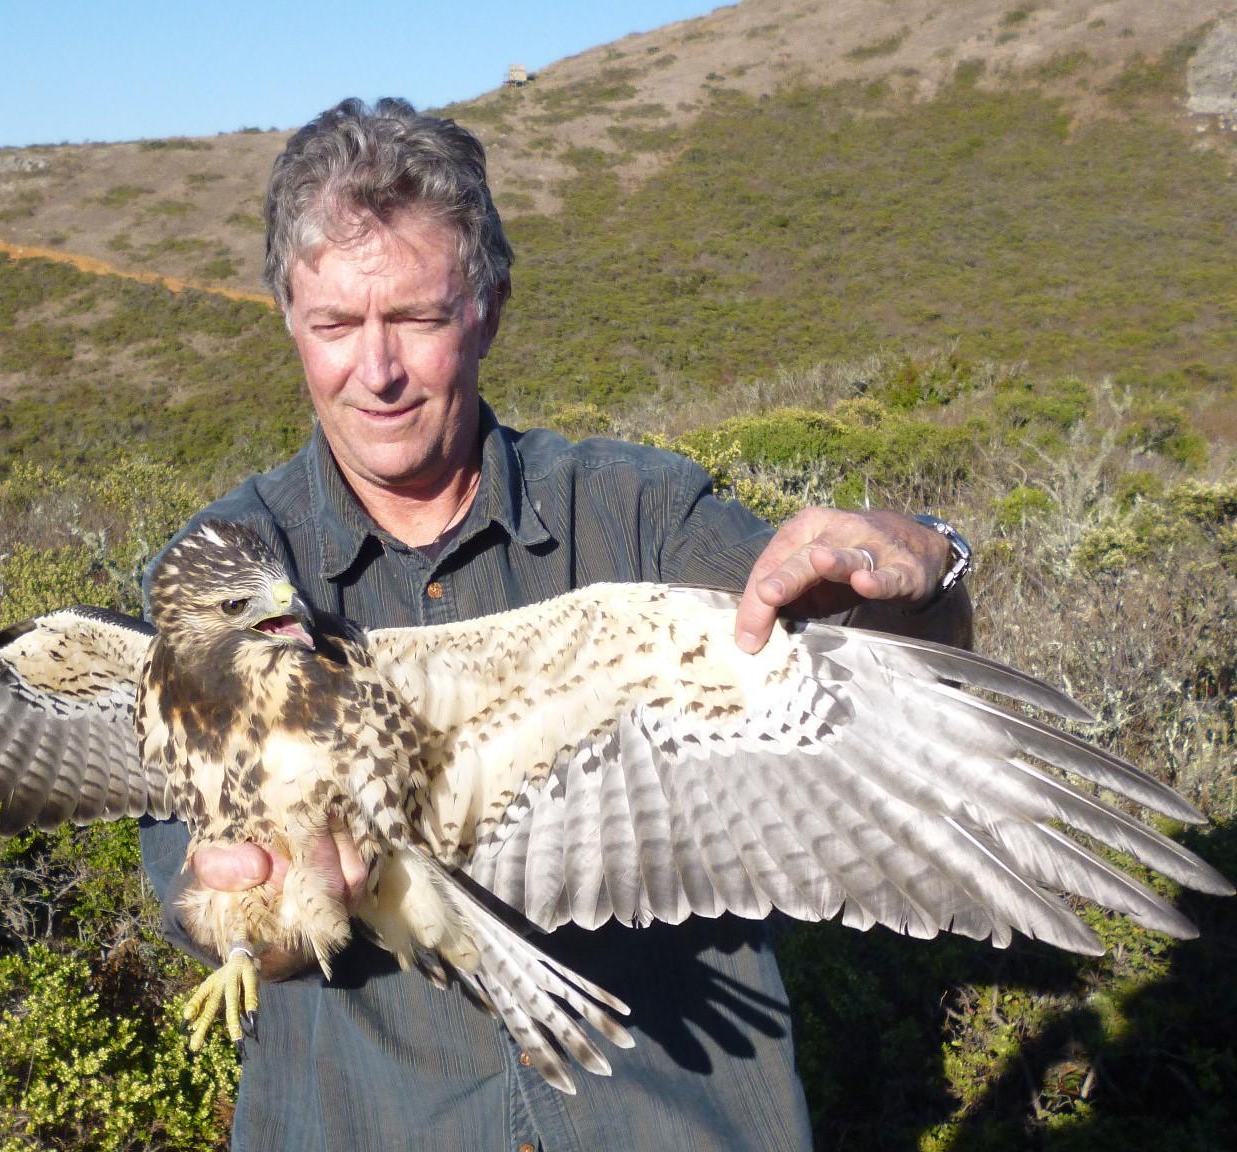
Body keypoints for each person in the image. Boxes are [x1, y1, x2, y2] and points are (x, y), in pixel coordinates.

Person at [140, 97, 972, 1151]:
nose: (378, 371)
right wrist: (263, 917)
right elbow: (185, 885)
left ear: (487, 309)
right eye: (337, 327)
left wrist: (928, 564)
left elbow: (889, 722)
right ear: (290, 325)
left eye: (419, 319)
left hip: (672, 1111)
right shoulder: (219, 576)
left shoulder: (641, 519)